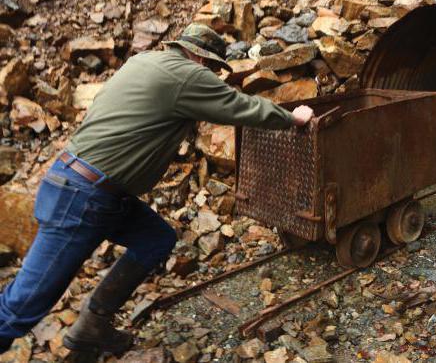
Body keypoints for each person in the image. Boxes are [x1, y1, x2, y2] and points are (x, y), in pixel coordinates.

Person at [0, 23, 313, 356]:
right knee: (24, 304)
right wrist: (291, 118)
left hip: (88, 187)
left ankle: (91, 327)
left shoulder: (143, 62)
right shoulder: (187, 75)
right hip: (84, 197)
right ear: (201, 58)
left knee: (155, 239)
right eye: (210, 66)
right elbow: (239, 107)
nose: (210, 72)